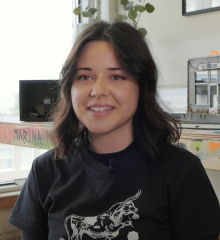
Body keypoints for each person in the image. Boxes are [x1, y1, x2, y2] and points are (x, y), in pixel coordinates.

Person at [8, 19, 220, 240]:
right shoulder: (44, 171)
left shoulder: (182, 172)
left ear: (142, 87)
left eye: (117, 76)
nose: (98, 90)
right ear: (69, 88)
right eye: (85, 77)